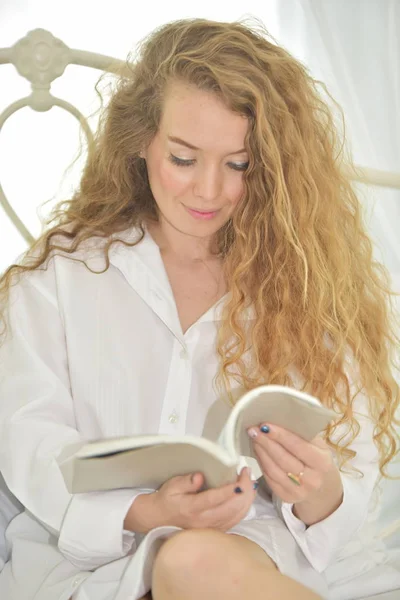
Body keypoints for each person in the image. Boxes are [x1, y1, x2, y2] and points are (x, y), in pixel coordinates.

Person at [0, 16, 399, 600]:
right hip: (91, 563)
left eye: (238, 164)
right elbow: (27, 439)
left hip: (257, 554)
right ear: (141, 140)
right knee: (187, 559)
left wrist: (315, 488)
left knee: (194, 561)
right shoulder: (62, 274)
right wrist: (145, 510)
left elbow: (350, 476)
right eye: (184, 159)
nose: (209, 191)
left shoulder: (312, 285)